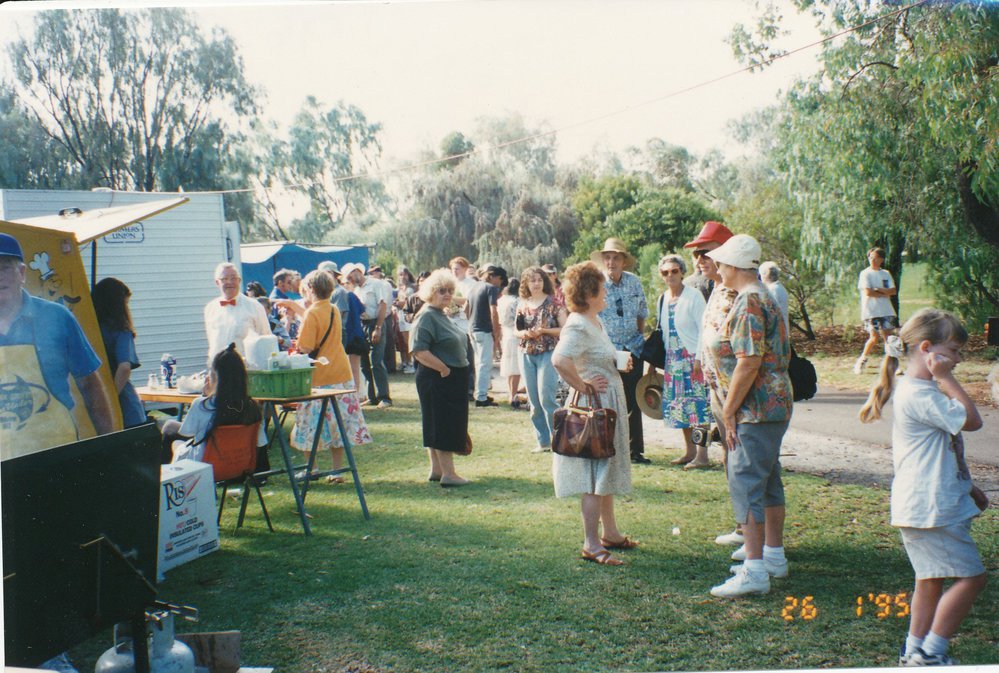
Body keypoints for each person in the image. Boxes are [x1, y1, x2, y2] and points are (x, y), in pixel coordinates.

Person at [858, 309, 987, 666]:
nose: (959, 358)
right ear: (928, 349)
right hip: (932, 507)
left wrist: (968, 485)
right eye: (955, 350)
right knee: (972, 579)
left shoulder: (915, 390)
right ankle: (931, 650)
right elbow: (972, 421)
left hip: (922, 501)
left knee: (929, 580)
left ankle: (913, 649)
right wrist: (947, 378)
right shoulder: (922, 393)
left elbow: (936, 453)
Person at [699, 235, 793, 598]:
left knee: (746, 482)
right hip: (771, 405)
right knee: (768, 480)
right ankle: (772, 556)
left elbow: (748, 362)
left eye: (722, 263)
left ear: (736, 266)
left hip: (757, 407)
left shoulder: (750, 301)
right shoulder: (759, 296)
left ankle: (755, 570)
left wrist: (729, 409)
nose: (717, 269)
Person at [552, 261, 636, 566]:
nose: (606, 292)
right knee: (593, 474)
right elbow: (560, 360)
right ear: (589, 292)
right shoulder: (577, 324)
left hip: (608, 401)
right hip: (594, 406)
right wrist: (583, 384)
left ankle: (610, 532)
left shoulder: (594, 322)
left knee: (606, 470)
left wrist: (615, 362)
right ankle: (590, 542)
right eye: (602, 287)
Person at [0, 233, 113, 458]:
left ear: (21, 273)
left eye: (4, 268)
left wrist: (110, 445)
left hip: (56, 452)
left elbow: (90, 385)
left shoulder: (57, 317)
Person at [684, 220, 743, 547]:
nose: (699, 260)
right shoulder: (717, 289)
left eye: (705, 253)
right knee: (730, 457)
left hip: (740, 395)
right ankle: (742, 526)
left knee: (745, 462)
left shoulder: (741, 292)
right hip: (718, 392)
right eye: (697, 255)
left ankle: (756, 537)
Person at [290, 270, 372, 481]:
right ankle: (337, 470)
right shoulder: (334, 309)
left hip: (319, 375)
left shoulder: (312, 313)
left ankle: (312, 468)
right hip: (341, 371)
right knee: (340, 423)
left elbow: (306, 346)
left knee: (308, 424)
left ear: (310, 289)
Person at [409, 269, 471, 487]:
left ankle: (437, 470)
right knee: (443, 423)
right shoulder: (427, 315)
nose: (446, 294)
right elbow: (418, 350)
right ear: (430, 292)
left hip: (450, 377)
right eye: (441, 290)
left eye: (450, 290)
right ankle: (449, 474)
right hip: (439, 378)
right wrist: (443, 369)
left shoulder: (440, 313)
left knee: (437, 422)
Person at [591, 238, 649, 464]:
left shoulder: (634, 283)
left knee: (634, 399)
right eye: (607, 257)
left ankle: (634, 450)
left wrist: (638, 340)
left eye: (616, 257)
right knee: (608, 397)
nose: (611, 262)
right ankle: (608, 447)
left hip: (632, 348)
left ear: (624, 261)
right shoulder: (597, 284)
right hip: (608, 350)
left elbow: (642, 313)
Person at [165, 344, 266, 464]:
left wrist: (205, 397)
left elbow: (187, 433)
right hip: (237, 466)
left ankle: (164, 478)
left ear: (214, 376)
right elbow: (261, 442)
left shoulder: (202, 405)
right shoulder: (253, 407)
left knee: (171, 432)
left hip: (203, 467)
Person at [655, 254, 711, 468]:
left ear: (682, 272)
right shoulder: (663, 298)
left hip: (692, 359)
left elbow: (703, 329)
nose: (670, 275)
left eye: (674, 271)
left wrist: (699, 358)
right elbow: (663, 334)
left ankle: (702, 455)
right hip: (673, 361)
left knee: (699, 408)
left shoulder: (694, 296)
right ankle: (689, 452)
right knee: (680, 406)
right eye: (665, 272)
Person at [516, 266, 568, 452]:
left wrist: (544, 331)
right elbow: (516, 330)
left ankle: (559, 439)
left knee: (547, 398)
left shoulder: (554, 303)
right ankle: (543, 441)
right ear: (526, 284)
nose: (536, 284)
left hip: (548, 352)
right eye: (532, 280)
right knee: (534, 401)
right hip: (526, 353)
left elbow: (564, 329)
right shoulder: (522, 305)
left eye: (539, 280)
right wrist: (525, 333)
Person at [92, 277, 146, 428]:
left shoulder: (91, 328)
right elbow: (124, 367)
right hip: (126, 408)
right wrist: (110, 399)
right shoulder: (121, 330)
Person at [342, 263, 393, 408]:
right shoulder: (356, 290)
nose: (350, 280)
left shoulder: (376, 284)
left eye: (350, 276)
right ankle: (372, 396)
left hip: (375, 322)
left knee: (376, 360)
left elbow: (382, 305)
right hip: (363, 324)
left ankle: (384, 397)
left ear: (357, 272)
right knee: (365, 362)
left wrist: (378, 327)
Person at [203, 262, 270, 363]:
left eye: (233, 278)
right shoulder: (210, 308)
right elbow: (212, 344)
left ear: (239, 280)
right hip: (218, 371)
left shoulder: (255, 307)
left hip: (247, 371)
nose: (229, 282)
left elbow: (266, 341)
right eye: (224, 279)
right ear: (217, 282)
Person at [854, 247, 898, 375]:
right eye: (871, 257)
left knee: (889, 338)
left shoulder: (886, 273)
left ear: (881, 260)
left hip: (886, 310)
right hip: (871, 310)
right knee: (874, 337)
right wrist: (883, 292)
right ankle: (862, 360)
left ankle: (893, 365)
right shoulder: (865, 273)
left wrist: (878, 290)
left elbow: (893, 291)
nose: (873, 260)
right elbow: (868, 292)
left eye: (876, 258)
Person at [467, 265, 505, 407]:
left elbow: (466, 307)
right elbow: (493, 311)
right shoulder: (491, 288)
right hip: (484, 329)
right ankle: (481, 397)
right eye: (500, 279)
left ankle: (480, 393)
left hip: (472, 328)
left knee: (479, 363)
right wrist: (496, 331)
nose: (500, 283)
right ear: (493, 276)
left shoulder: (474, 287)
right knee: (485, 364)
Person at [448, 256, 476, 397]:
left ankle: (469, 388)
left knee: (467, 357)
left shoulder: (470, 284)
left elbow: (468, 300)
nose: (455, 271)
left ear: (465, 269)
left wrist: (450, 298)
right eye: (453, 268)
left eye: (458, 268)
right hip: (450, 323)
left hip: (465, 324)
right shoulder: (449, 283)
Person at [497, 278, 522, 410]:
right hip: (515, 334)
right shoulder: (518, 301)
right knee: (516, 367)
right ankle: (514, 394)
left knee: (508, 366)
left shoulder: (501, 300)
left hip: (505, 333)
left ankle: (510, 393)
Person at [394, 266, 418, 373]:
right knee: (403, 341)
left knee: (410, 340)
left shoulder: (412, 287)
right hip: (401, 315)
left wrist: (400, 303)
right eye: (400, 274)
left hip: (409, 315)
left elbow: (411, 302)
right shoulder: (400, 288)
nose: (402, 277)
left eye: (404, 274)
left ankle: (413, 363)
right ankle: (406, 362)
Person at [758, 261, 790, 337]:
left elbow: (770, 312)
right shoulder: (779, 287)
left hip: (777, 332)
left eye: (761, 274)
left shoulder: (772, 290)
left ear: (766, 274)